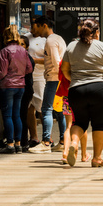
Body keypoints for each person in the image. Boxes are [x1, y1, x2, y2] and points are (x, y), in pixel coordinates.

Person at [61, 19, 103, 167]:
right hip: (99, 89)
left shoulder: (71, 46)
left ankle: (74, 142)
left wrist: (75, 80)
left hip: (76, 90)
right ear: (97, 32)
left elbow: (65, 70)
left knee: (79, 122)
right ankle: (97, 158)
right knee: (99, 124)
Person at [0, 25, 33, 153]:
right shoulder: (23, 51)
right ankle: (18, 144)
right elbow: (29, 69)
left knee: (7, 115)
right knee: (17, 115)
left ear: (6, 37)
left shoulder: (5, 51)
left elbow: (2, 72)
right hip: (20, 86)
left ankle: (9, 145)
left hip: (7, 86)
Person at [29, 16, 67, 153]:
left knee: (46, 109)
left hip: (53, 79)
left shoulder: (50, 41)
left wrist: (57, 78)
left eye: (37, 26)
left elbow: (56, 63)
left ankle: (45, 143)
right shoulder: (58, 39)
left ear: (44, 25)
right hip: (59, 79)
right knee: (59, 111)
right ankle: (62, 141)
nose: (35, 30)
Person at [24, 20, 47, 148]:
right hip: (27, 77)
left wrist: (33, 60)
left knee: (42, 108)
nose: (32, 31)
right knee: (29, 107)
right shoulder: (26, 37)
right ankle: (33, 137)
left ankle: (46, 137)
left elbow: (50, 59)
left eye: (33, 28)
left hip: (40, 77)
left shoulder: (46, 40)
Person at [19, 35, 35, 151]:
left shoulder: (28, 58)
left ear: (27, 47)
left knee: (22, 115)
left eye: (22, 44)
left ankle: (23, 142)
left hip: (25, 89)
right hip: (21, 88)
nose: (20, 47)